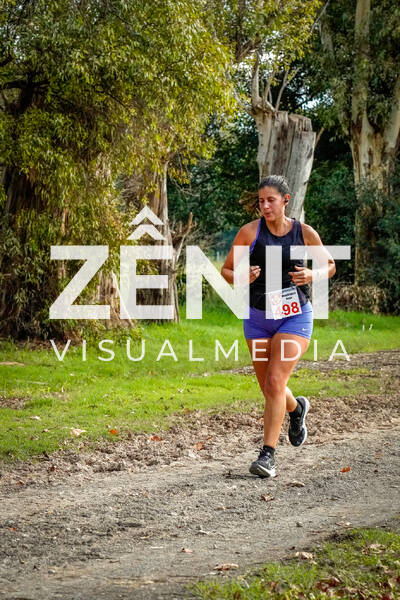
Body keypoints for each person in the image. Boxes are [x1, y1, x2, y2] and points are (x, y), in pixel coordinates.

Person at [221, 175, 336, 478]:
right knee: (269, 388)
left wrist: (312, 275)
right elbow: (227, 270)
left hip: (293, 316)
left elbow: (330, 265)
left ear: (286, 200)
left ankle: (267, 456)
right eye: (261, 201)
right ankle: (296, 409)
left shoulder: (304, 233)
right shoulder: (250, 232)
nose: (265, 206)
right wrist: (240, 277)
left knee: (274, 382)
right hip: (257, 318)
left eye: (271, 200)